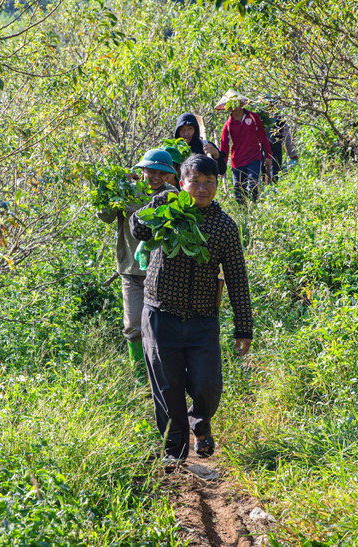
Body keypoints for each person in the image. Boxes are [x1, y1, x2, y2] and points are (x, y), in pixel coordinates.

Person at [130, 154, 253, 468]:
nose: (202, 189)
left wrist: (244, 327)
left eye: (209, 182)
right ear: (181, 183)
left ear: (217, 185)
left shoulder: (224, 226)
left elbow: (237, 276)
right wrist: (157, 203)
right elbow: (138, 231)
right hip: (160, 315)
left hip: (201, 321)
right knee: (167, 389)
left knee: (207, 385)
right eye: (195, 182)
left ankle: (201, 424)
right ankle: (175, 451)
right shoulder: (168, 211)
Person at [97, 149, 178, 377]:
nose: (155, 177)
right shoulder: (127, 193)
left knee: (160, 327)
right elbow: (105, 216)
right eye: (151, 171)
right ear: (142, 170)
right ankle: (140, 377)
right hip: (131, 270)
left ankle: (160, 374)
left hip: (161, 271)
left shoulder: (172, 194)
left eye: (161, 173)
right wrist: (113, 189)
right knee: (133, 326)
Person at [215, 89, 273, 204]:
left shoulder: (253, 117)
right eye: (229, 104)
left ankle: (255, 208)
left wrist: (268, 156)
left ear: (240, 103)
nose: (232, 106)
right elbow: (224, 147)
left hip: (254, 158)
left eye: (234, 102)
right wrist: (222, 167)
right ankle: (244, 214)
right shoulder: (228, 125)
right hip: (237, 162)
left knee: (252, 186)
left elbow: (262, 137)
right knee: (238, 193)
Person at [174, 113, 227, 177]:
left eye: (190, 129)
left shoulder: (205, 145)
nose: (186, 133)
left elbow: (222, 170)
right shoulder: (175, 149)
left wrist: (216, 154)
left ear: (195, 130)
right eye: (182, 130)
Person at [262, 97, 299, 183]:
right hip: (264, 149)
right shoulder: (261, 118)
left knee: (275, 173)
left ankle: (273, 190)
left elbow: (287, 136)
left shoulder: (279, 118)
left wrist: (292, 153)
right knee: (265, 174)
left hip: (276, 147)